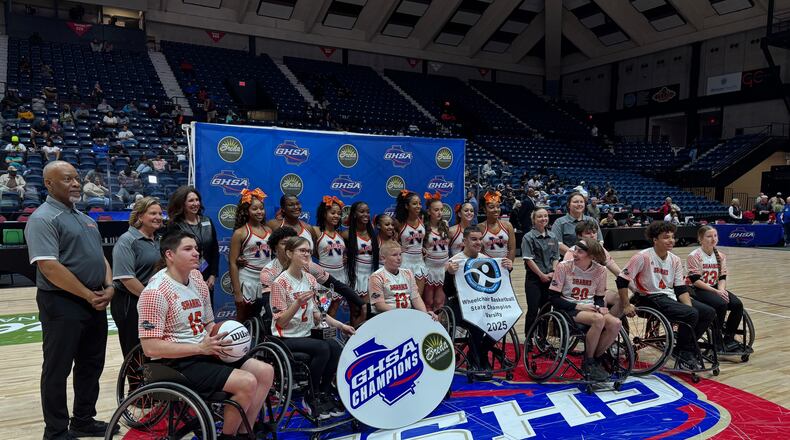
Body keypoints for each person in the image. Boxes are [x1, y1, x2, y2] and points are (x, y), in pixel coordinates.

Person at [138, 230, 273, 440]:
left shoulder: (196, 278)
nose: (196, 253)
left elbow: (209, 323)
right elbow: (150, 348)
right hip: (175, 363)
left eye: (196, 248)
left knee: (265, 372)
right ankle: (227, 437)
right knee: (246, 382)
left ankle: (245, 431)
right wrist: (200, 347)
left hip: (204, 350)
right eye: (188, 249)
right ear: (169, 255)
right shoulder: (155, 292)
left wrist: (225, 337)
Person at [25, 161, 117, 439]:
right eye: (67, 179)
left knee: (91, 364)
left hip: (94, 299)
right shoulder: (42, 218)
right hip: (62, 302)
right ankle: (55, 431)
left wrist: (109, 286)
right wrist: (88, 294)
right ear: (49, 184)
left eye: (76, 178)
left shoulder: (85, 218)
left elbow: (99, 256)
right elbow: (49, 267)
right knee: (58, 368)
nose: (76, 183)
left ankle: (83, 420)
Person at [270, 236, 354, 419]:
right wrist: (297, 303)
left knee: (335, 346)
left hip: (306, 333)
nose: (307, 254)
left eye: (309, 251)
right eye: (302, 251)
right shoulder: (279, 283)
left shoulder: (310, 279)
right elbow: (280, 322)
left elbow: (317, 313)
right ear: (289, 253)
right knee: (322, 348)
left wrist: (341, 326)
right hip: (286, 337)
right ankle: (311, 395)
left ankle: (324, 392)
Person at [616, 221, 716, 369]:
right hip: (647, 297)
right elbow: (621, 280)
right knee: (691, 314)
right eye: (666, 237)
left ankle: (685, 346)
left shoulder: (675, 260)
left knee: (708, 312)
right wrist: (626, 305)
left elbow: (680, 288)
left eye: (672, 237)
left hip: (669, 296)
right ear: (655, 239)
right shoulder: (642, 257)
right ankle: (684, 351)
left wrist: (688, 308)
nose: (671, 240)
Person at [445, 227, 513, 379]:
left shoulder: (487, 260)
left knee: (505, 319)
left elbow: (498, 286)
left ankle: (481, 352)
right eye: (474, 239)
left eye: (480, 239)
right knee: (478, 322)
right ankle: (478, 360)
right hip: (460, 305)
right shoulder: (454, 261)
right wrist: (449, 274)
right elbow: (448, 292)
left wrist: (508, 269)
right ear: (464, 241)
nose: (478, 242)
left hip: (482, 304)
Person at [549, 238, 620, 381]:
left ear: (591, 256)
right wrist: (578, 306)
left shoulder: (600, 270)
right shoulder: (563, 267)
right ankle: (589, 361)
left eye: (580, 252)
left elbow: (599, 297)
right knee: (598, 319)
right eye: (575, 250)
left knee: (616, 323)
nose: (575, 253)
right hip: (568, 308)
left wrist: (600, 307)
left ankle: (596, 358)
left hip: (589, 308)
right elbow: (553, 298)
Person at [111, 197, 163, 359]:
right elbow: (127, 279)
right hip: (130, 303)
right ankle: (135, 378)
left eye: (160, 213)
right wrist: (152, 299)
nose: (158, 217)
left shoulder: (158, 240)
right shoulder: (127, 241)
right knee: (135, 350)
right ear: (140, 216)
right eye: (153, 213)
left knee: (153, 349)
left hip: (152, 301)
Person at [687, 226, 746, 353]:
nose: (713, 239)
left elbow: (722, 277)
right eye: (709, 236)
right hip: (698, 289)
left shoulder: (720, 256)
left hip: (715, 287)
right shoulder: (694, 256)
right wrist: (716, 292)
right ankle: (717, 339)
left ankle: (729, 338)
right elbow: (695, 280)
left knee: (737, 304)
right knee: (721, 304)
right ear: (700, 239)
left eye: (715, 236)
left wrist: (721, 290)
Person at [564, 220, 631, 318]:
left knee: (623, 299)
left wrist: (636, 289)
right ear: (579, 236)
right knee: (601, 302)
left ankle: (609, 323)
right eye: (588, 233)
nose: (592, 235)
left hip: (599, 291)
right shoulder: (572, 253)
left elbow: (619, 272)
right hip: (580, 293)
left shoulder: (601, 250)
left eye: (594, 232)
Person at [165, 186, 220, 301]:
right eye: (191, 201)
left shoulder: (207, 221)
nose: (195, 204)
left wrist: (212, 275)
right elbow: (174, 256)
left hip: (207, 278)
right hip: (185, 278)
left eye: (197, 200)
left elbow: (215, 250)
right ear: (182, 203)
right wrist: (190, 279)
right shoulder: (175, 225)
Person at [228, 188, 271, 323]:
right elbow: (232, 263)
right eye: (254, 209)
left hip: (265, 281)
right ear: (246, 211)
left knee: (265, 319)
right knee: (243, 319)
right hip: (247, 280)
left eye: (261, 208)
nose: (259, 212)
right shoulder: (240, 233)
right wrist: (237, 292)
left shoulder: (269, 230)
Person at [369, 241, 435, 318]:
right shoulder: (376, 276)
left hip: (406, 315)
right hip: (386, 317)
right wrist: (401, 313)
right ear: (383, 258)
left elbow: (416, 298)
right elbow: (379, 305)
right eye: (394, 255)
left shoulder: (408, 273)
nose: (399, 258)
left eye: (400, 254)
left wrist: (425, 314)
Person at [521, 208, 560, 334]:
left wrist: (553, 271)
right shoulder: (528, 237)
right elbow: (528, 259)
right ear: (533, 220)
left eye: (545, 216)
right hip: (534, 279)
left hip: (549, 278)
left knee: (546, 309)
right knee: (533, 309)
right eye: (539, 216)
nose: (543, 218)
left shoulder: (553, 236)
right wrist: (541, 275)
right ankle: (529, 337)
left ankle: (542, 338)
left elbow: (555, 257)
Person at [343, 201, 379, 327]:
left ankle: (364, 337)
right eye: (362, 211)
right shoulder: (346, 234)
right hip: (354, 277)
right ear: (354, 214)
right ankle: (353, 336)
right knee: (355, 312)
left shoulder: (373, 233)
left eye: (368, 212)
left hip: (370, 277)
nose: (366, 214)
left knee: (367, 311)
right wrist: (344, 257)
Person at [313, 196, 347, 318]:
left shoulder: (341, 234)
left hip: (340, 276)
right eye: (332, 213)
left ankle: (331, 331)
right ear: (324, 214)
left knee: (333, 311)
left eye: (339, 213)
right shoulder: (316, 231)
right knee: (322, 312)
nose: (336, 216)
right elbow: (310, 250)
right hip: (324, 277)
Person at [393, 191, 428, 298]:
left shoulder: (422, 218)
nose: (418, 206)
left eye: (420, 203)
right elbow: (389, 240)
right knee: (404, 298)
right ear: (406, 206)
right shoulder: (399, 222)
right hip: (405, 262)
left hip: (419, 262)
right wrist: (398, 247)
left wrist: (423, 248)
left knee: (417, 298)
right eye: (414, 203)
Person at [423, 192, 450, 311]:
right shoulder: (424, 227)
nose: (440, 213)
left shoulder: (445, 224)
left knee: (440, 302)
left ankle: (440, 322)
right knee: (428, 301)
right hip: (430, 268)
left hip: (443, 268)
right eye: (436, 210)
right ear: (429, 212)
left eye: (441, 210)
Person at [478, 191, 516, 261]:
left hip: (504, 264)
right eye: (491, 207)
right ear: (484, 209)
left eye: (498, 207)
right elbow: (479, 251)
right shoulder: (479, 227)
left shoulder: (508, 225)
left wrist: (509, 264)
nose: (496, 210)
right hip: (487, 264)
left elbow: (512, 249)